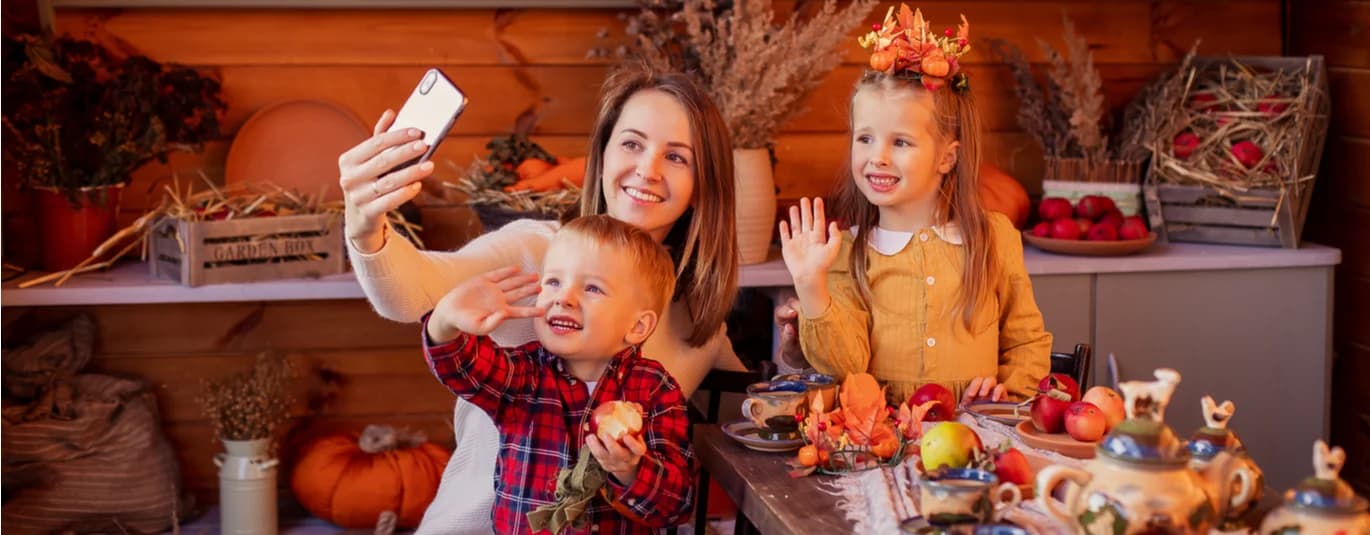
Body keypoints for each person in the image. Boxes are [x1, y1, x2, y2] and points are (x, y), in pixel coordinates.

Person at [337, 64, 742, 533]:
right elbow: (410, 295)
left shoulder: (692, 311)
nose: (647, 170)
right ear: (602, 156)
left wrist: (799, 336)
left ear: (702, 184)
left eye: (676, 157)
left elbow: (754, 415)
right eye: (632, 144)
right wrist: (365, 227)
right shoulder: (534, 249)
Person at [777, 5, 1051, 407]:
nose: (878, 157)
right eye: (865, 139)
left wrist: (1008, 390)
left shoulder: (993, 238)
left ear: (947, 157)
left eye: (901, 142)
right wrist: (810, 284)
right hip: (880, 433)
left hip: (976, 431)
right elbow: (846, 366)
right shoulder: (846, 252)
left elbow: (1027, 341)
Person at [423, 215, 695, 534]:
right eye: (553, 282)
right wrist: (445, 320)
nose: (564, 298)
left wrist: (630, 470)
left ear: (637, 326)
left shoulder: (654, 389)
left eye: (592, 288)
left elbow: (677, 505)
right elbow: (461, 366)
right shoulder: (521, 375)